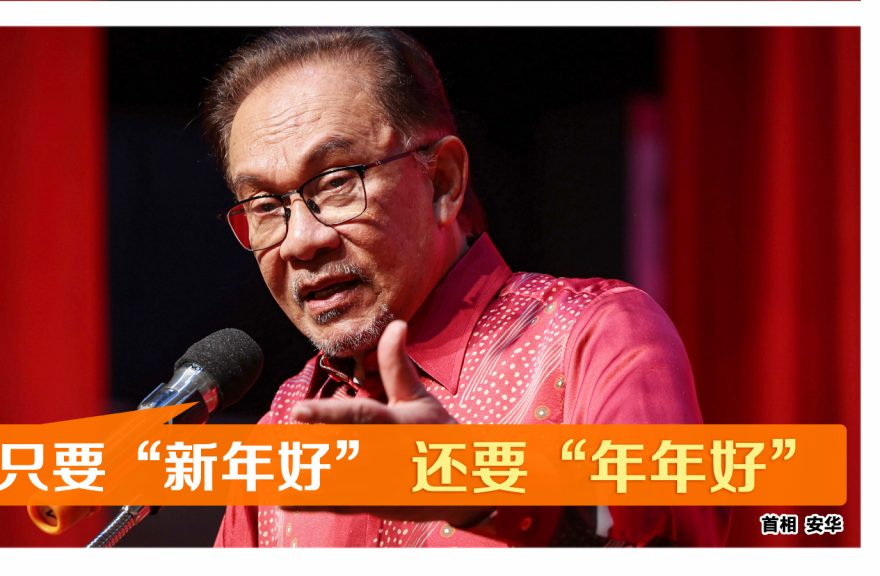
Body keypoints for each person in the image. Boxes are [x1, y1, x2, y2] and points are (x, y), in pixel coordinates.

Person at [202, 28, 728, 547]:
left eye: (337, 181)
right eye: (264, 205)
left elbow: (663, 545)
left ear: (443, 181)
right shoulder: (284, 427)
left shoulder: (590, 337)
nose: (300, 241)